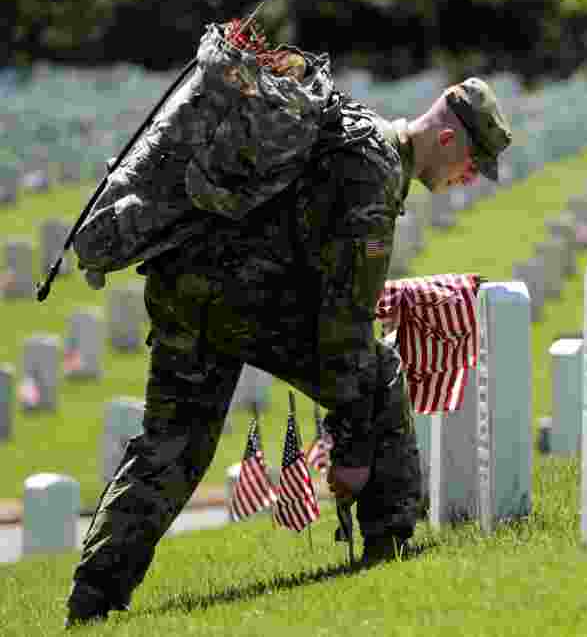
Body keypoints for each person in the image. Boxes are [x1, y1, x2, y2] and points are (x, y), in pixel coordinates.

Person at [64, 76, 512, 628]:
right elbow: (344, 325)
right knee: (378, 372)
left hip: (184, 288)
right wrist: (352, 455)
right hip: (247, 302)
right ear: (447, 137)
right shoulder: (372, 169)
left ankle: (93, 599)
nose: (466, 180)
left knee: (172, 445)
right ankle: (388, 545)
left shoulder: (353, 134)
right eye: (472, 164)